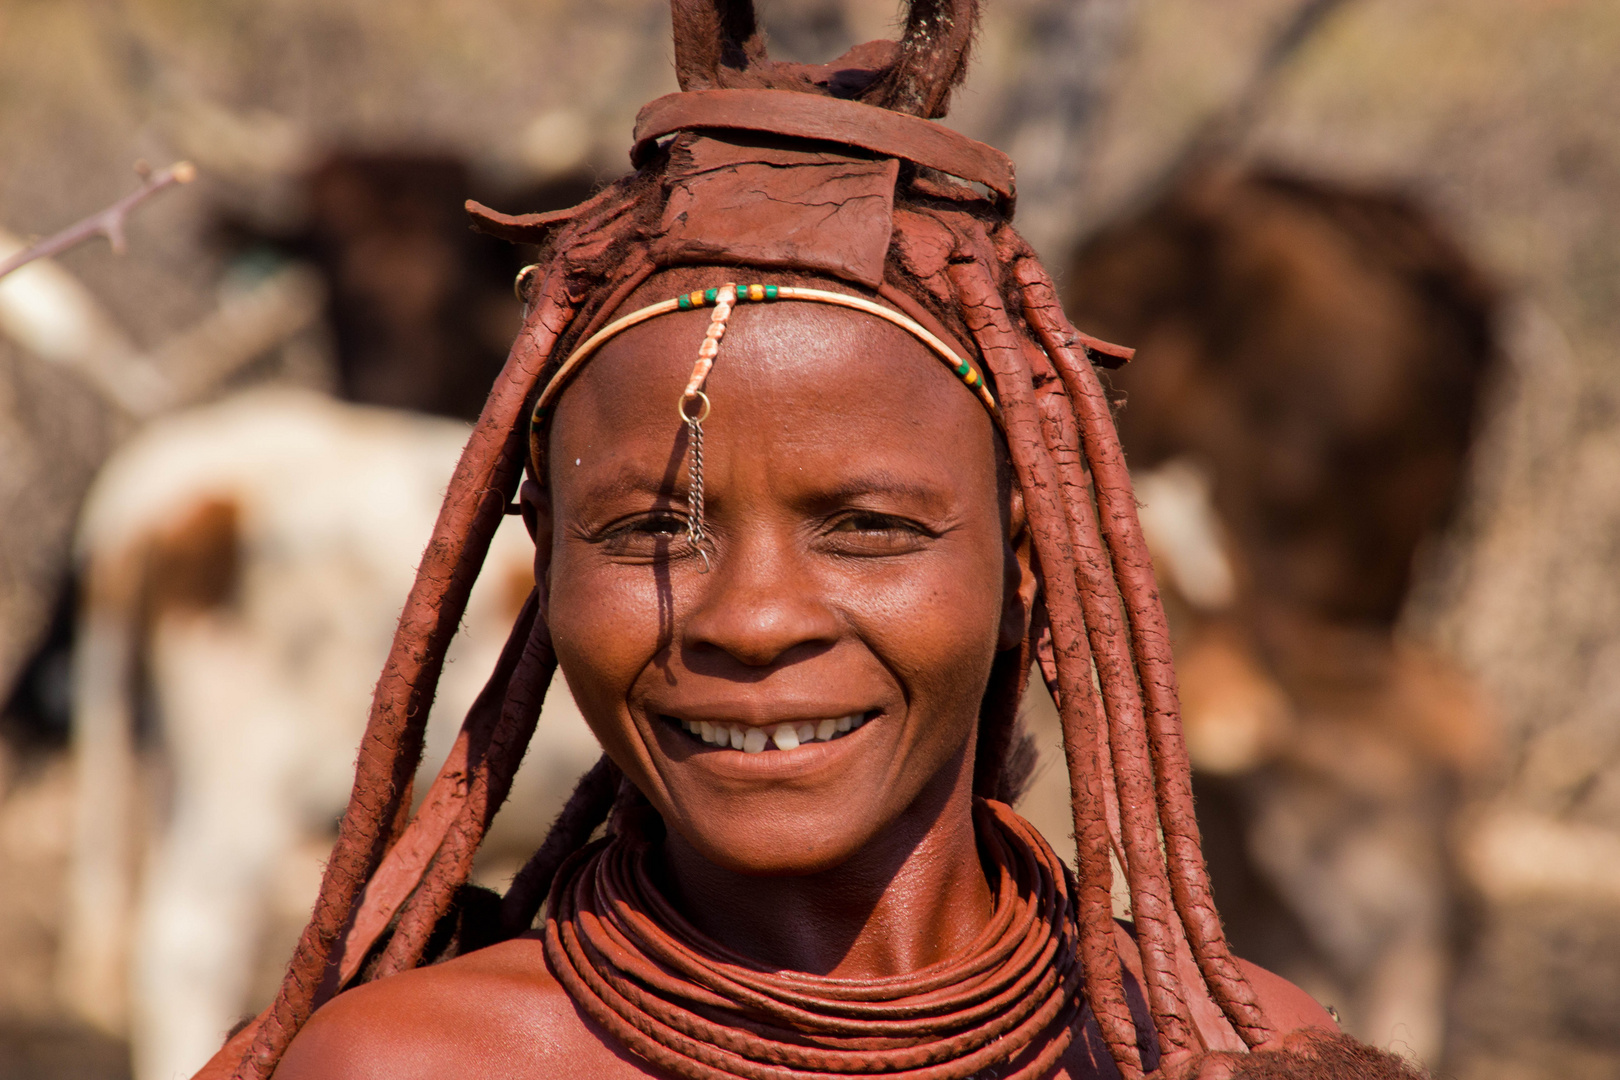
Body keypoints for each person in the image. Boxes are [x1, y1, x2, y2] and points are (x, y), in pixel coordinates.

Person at [197, 3, 1430, 1078]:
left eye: (869, 529)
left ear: (1027, 565)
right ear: (544, 556)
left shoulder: (1234, 1052)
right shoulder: (410, 1067)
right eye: (648, 531)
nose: (750, 618)